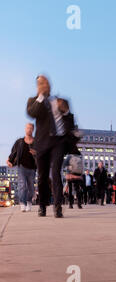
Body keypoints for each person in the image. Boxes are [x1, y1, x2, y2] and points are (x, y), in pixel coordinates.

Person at [26, 75, 72, 218]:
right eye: (41, 83)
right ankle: (42, 206)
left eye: (46, 82)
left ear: (50, 84)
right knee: (42, 176)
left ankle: (58, 208)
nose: (44, 85)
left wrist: (66, 111)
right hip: (42, 143)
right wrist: (41, 96)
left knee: (56, 174)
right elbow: (32, 113)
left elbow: (70, 122)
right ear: (37, 86)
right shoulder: (34, 101)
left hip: (58, 142)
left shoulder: (60, 101)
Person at [7, 123, 37, 212]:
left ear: (33, 129)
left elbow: (41, 153)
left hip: (32, 168)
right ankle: (22, 203)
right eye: (28, 128)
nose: (29, 130)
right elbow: (14, 152)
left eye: (31, 128)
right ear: (25, 129)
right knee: (22, 185)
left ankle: (29, 202)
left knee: (31, 188)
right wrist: (9, 160)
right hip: (22, 167)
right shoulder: (19, 141)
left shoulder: (36, 142)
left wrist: (36, 153)